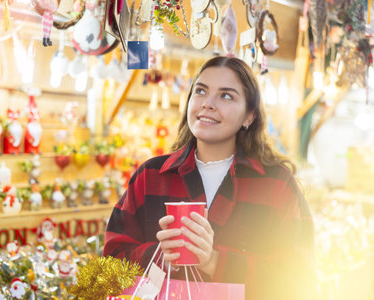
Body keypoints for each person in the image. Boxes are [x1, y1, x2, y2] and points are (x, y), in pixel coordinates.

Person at [103, 56, 316, 300]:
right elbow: (111, 256)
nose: (208, 104)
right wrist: (160, 255)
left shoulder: (276, 184)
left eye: (226, 95)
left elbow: (299, 278)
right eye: (201, 91)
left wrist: (215, 261)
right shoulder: (151, 176)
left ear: (249, 116)